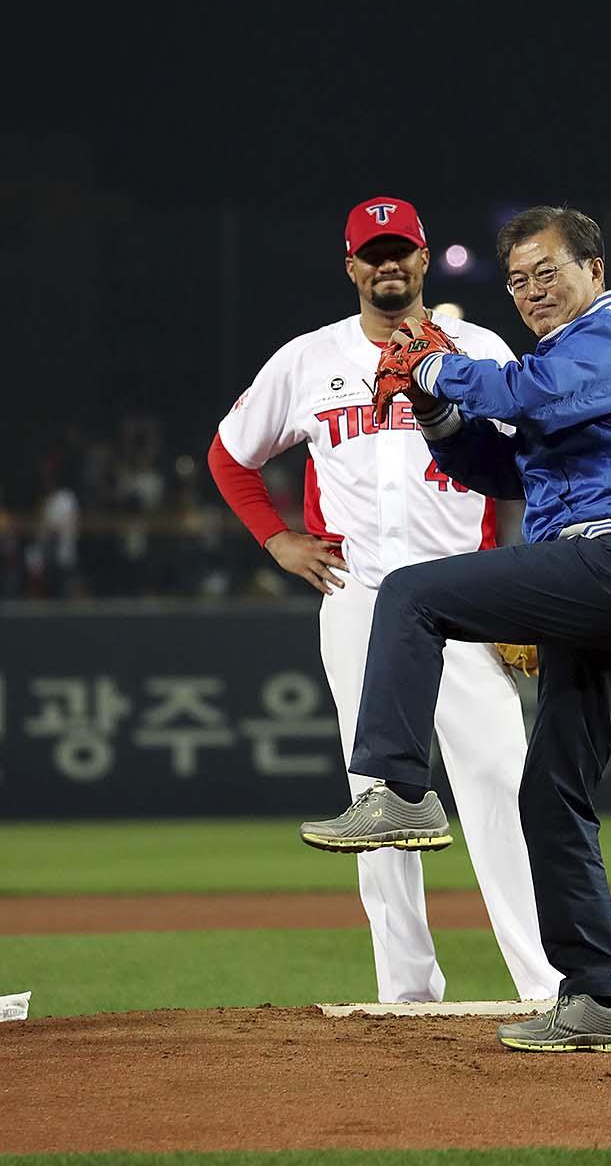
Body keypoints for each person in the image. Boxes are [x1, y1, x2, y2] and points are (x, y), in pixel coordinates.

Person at [298, 205, 611, 1053]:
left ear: (595, 269)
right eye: (517, 280)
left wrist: (437, 367)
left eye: (547, 271)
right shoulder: (565, 366)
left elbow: (528, 393)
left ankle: (397, 788)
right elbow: (501, 466)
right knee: (551, 796)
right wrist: (433, 409)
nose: (531, 291)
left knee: (408, 595)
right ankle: (598, 997)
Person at [207, 195, 561, 1005]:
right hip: (360, 599)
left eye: (401, 249)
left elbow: (533, 464)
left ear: (425, 259)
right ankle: (406, 989)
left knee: (499, 781)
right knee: (379, 802)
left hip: (466, 596)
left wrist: (527, 584)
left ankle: (545, 984)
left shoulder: (476, 348)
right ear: (352, 266)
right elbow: (231, 456)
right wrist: (276, 538)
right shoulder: (306, 359)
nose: (387, 263)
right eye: (373, 252)